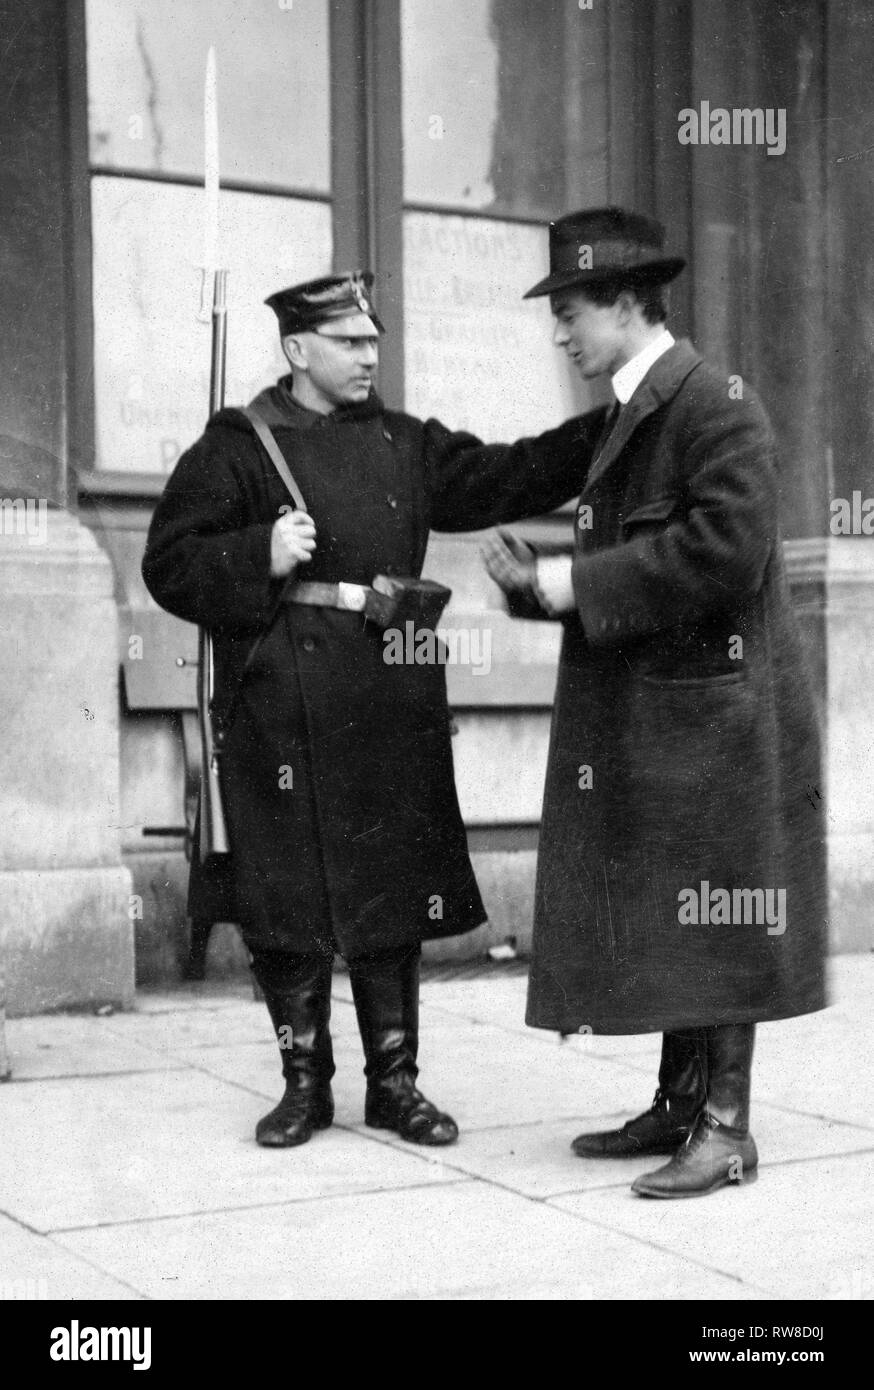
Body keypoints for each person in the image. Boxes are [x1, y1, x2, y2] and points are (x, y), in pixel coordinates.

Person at [142, 271, 599, 1149]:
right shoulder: (238, 446)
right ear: (297, 350)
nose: (369, 356)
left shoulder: (404, 443)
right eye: (350, 343)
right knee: (288, 903)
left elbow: (509, 475)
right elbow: (169, 565)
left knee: (392, 889)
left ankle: (395, 1086)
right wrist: (257, 551)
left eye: (373, 341)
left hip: (391, 693)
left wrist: (609, 423)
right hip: (281, 703)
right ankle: (303, 1086)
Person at [484, 206, 827, 1199]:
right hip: (667, 709)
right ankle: (681, 1103)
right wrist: (539, 587)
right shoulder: (643, 408)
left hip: (717, 718)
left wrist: (568, 585)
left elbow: (719, 555)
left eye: (573, 311)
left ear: (628, 304)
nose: (559, 333)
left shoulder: (714, 405)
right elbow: (644, 568)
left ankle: (725, 1128)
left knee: (717, 907)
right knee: (676, 903)